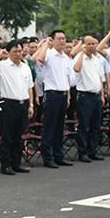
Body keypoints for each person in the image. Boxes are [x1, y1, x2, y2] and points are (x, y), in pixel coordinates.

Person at [0, 40, 34, 174]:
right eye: (14, 51)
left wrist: (30, 105)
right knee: (7, 136)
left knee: (19, 136)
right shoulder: (3, 65)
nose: (18, 54)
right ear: (8, 52)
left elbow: (29, 87)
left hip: (23, 103)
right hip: (8, 104)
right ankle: (6, 165)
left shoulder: (25, 66)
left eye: (19, 51)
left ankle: (16, 163)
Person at [33, 30, 73, 168]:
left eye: (64, 38)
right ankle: (47, 157)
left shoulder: (66, 58)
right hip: (52, 94)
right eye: (59, 38)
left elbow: (66, 78)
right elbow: (39, 59)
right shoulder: (49, 54)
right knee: (49, 127)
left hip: (63, 94)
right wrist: (46, 44)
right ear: (53, 40)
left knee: (59, 127)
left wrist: (68, 96)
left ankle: (59, 155)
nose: (62, 41)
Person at [73, 36, 105, 162]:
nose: (92, 46)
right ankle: (83, 152)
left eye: (94, 44)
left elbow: (100, 78)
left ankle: (92, 150)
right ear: (84, 45)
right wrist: (81, 52)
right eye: (89, 44)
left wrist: (102, 95)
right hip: (85, 96)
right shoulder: (80, 57)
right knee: (84, 126)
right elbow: (76, 68)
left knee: (95, 126)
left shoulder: (97, 59)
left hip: (96, 95)